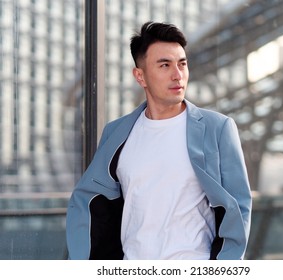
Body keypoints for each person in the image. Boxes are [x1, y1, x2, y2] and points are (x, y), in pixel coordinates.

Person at [66, 21, 252, 260]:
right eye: (165, 65)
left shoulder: (217, 129)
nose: (178, 75)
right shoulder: (116, 133)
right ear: (140, 76)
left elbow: (238, 209)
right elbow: (94, 207)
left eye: (182, 64)